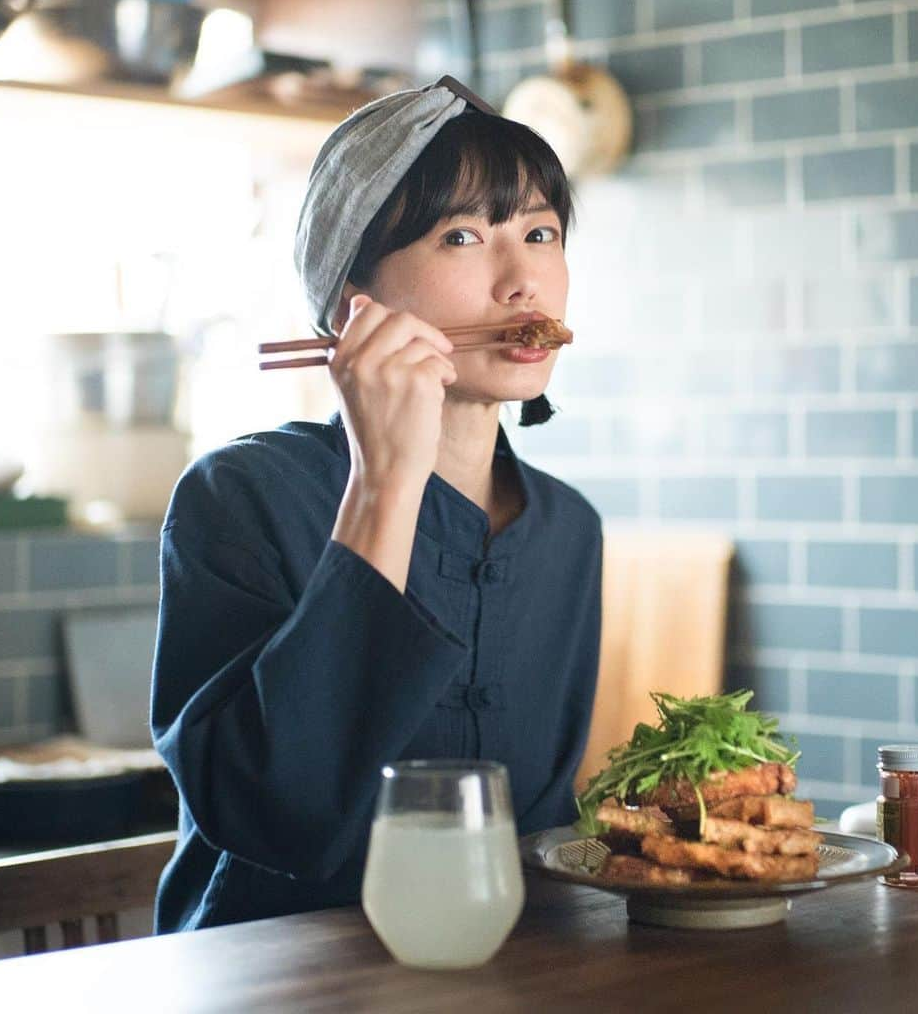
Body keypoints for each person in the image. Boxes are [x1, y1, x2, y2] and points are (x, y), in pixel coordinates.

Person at [151, 77, 603, 932]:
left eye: (540, 232)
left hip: (509, 974)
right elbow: (278, 816)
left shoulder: (569, 528)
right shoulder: (244, 495)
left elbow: (544, 835)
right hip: (269, 975)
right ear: (354, 303)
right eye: (462, 236)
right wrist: (388, 480)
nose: (522, 283)